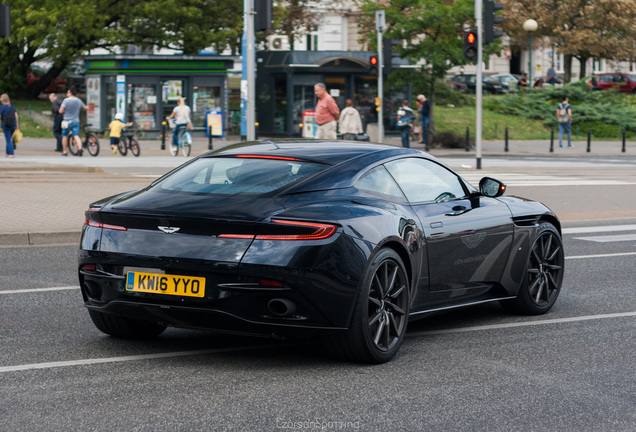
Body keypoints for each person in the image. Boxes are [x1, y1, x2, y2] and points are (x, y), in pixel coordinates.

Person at [59, 87, 87, 156]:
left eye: (68, 92)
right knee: (76, 135)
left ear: (70, 93)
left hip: (67, 121)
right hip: (75, 120)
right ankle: (80, 148)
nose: (67, 93)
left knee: (64, 136)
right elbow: (85, 107)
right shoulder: (78, 100)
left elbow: (60, 111)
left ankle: (65, 151)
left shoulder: (66, 100)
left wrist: (64, 112)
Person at [0, 93, 19, 158]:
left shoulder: (2, 107)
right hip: (13, 124)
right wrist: (17, 124)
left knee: (8, 139)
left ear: (2, 101)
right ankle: (7, 153)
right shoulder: (13, 107)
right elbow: (16, 115)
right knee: (9, 138)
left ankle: (11, 153)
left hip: (6, 125)